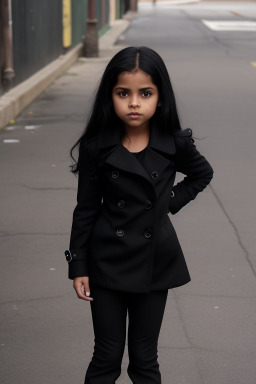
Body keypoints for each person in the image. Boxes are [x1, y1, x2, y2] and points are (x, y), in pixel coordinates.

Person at [65, 46, 214, 384]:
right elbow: (86, 209)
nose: (134, 102)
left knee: (144, 359)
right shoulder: (96, 145)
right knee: (106, 355)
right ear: (110, 96)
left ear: (160, 98)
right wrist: (78, 264)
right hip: (106, 262)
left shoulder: (175, 142)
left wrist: (168, 201)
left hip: (153, 263)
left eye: (145, 93)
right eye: (123, 93)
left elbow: (202, 174)